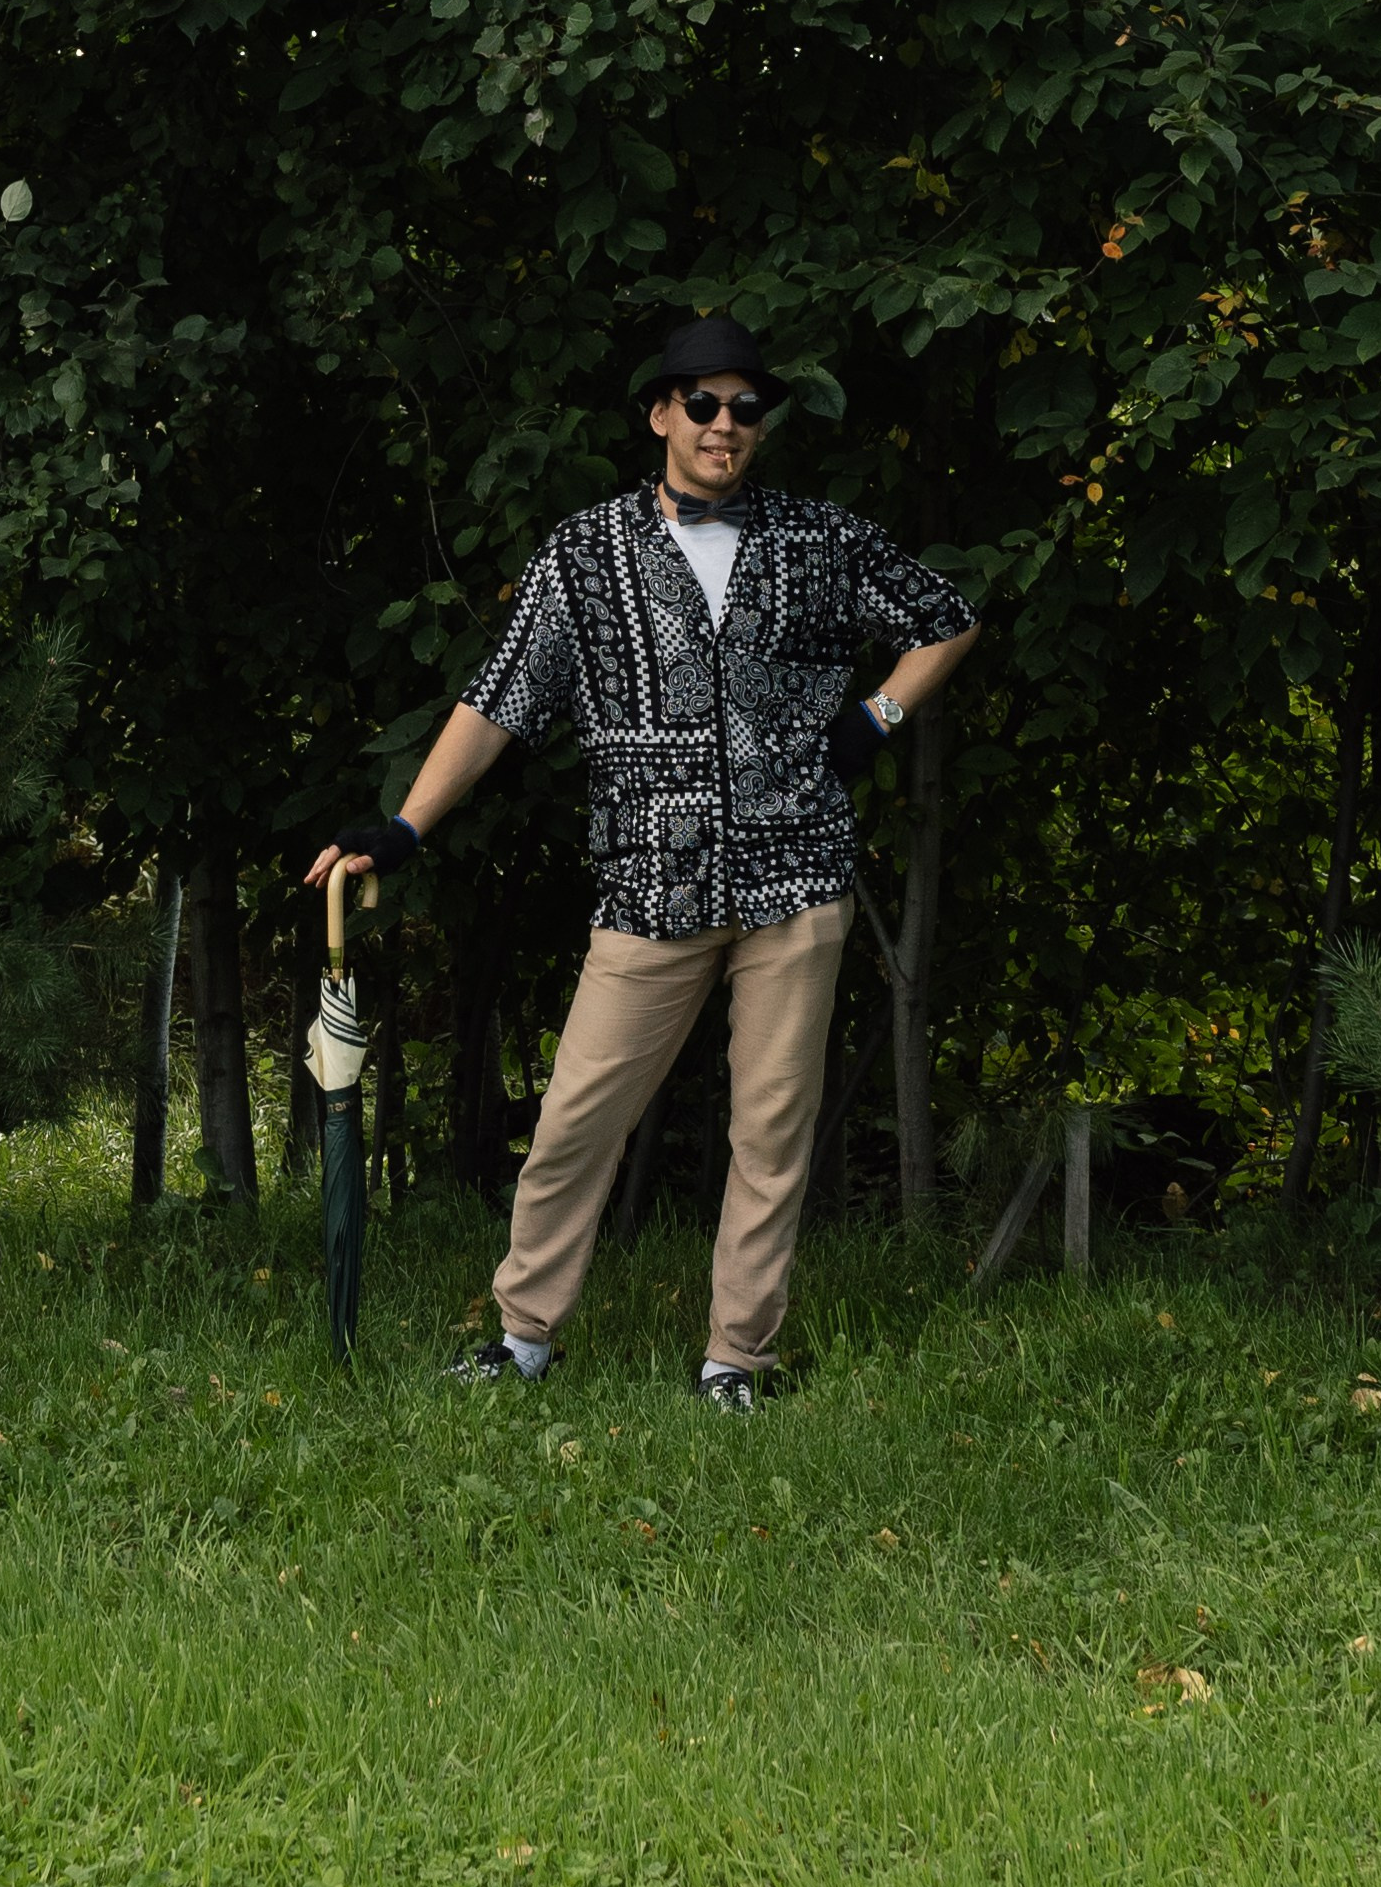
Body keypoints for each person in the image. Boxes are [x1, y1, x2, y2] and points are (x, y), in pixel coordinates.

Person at [305, 316, 979, 1407]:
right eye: (704, 405)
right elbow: (497, 704)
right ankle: (525, 1336)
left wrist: (876, 717)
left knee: (770, 1125)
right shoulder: (586, 553)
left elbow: (944, 619)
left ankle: (737, 1362)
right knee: (576, 1118)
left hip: (796, 876)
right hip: (647, 889)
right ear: (661, 416)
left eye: (747, 408)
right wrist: (406, 827)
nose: (727, 425)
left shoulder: (819, 540)